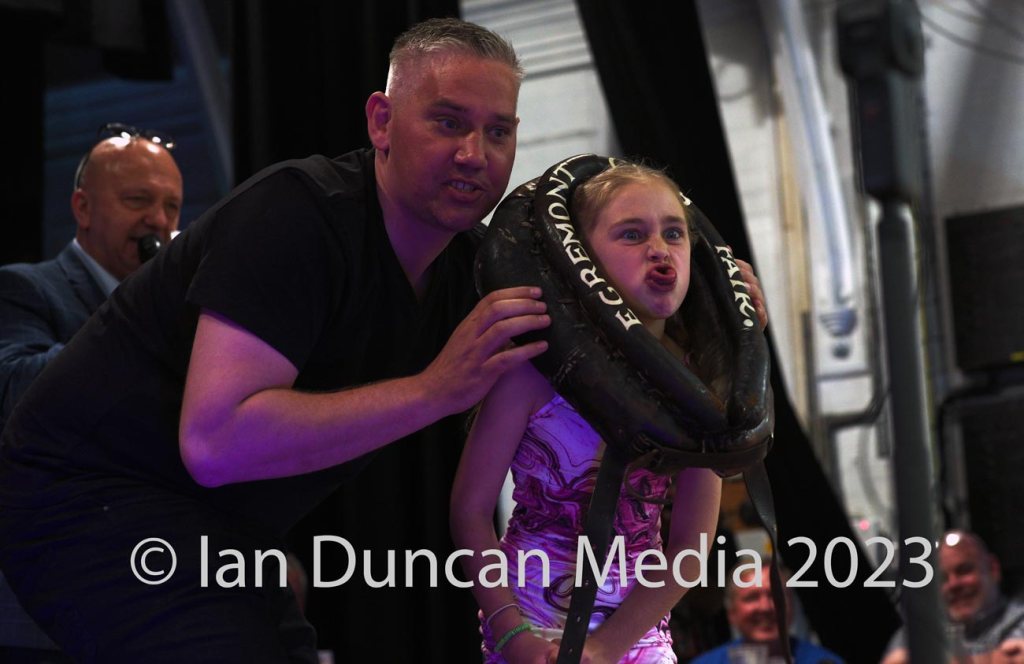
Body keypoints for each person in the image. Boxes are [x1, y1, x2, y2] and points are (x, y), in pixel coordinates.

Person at [0, 18, 550, 663]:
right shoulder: (295, 213)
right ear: (381, 122)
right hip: (85, 499)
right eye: (449, 122)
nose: (474, 154)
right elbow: (216, 441)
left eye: (498, 131)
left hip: (221, 523)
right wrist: (435, 390)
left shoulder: (473, 270)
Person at [451, 161, 753, 663]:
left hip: (635, 636)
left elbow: (691, 545)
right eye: (632, 234)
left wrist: (606, 647)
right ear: (580, 258)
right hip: (530, 627)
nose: (659, 249)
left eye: (674, 233)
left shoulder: (695, 387)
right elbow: (470, 510)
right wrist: (512, 634)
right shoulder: (532, 370)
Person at [0, 124, 181, 662]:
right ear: (82, 208)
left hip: (149, 601)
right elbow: (15, 393)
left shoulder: (175, 318)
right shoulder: (24, 288)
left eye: (172, 207)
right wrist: (140, 315)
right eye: (138, 200)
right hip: (44, 611)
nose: (159, 221)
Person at [881, 530, 1024, 664]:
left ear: (993, 569)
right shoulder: (914, 633)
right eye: (943, 578)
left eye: (964, 571)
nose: (953, 584)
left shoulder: (1019, 621)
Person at [690, 563, 843, 664]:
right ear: (731, 613)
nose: (766, 607)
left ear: (791, 605)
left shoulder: (824, 661)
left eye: (776, 596)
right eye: (752, 598)